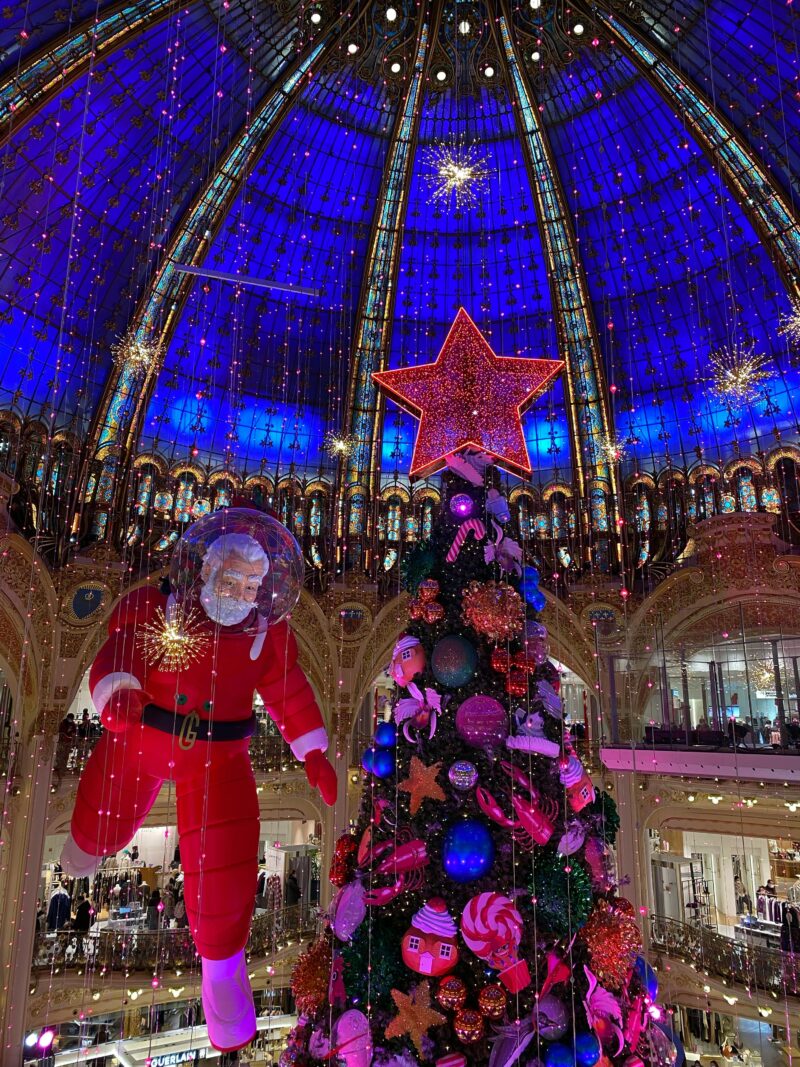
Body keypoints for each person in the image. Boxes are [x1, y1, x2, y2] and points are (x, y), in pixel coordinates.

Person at [58, 514, 338, 1053]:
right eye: (231, 580)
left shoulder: (265, 635)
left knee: (226, 865)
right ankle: (90, 842)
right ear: (206, 570)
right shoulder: (157, 608)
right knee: (107, 807)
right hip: (142, 734)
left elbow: (289, 693)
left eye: (251, 586)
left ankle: (222, 974)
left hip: (220, 757)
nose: (239, 594)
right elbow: (119, 652)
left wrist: (315, 751)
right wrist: (117, 692)